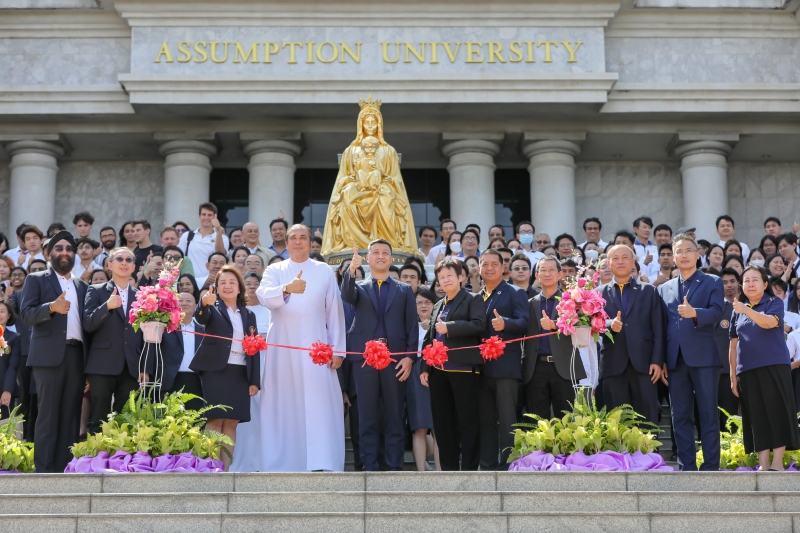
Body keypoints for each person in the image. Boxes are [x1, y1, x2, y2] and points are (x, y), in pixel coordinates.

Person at [256, 224, 346, 471]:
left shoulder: (324, 270)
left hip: (317, 349)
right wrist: (287, 288)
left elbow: (334, 311)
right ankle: (282, 462)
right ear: (286, 242)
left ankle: (322, 460)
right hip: (283, 351)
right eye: (293, 238)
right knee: (283, 402)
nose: (298, 242)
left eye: (303, 238)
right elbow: (263, 296)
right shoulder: (275, 269)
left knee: (320, 402)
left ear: (310, 242)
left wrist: (337, 349)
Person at [342, 243, 417, 471]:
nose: (381, 256)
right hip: (365, 359)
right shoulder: (360, 288)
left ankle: (394, 465)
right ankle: (369, 465)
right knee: (366, 415)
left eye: (385, 253)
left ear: (392, 258)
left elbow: (411, 325)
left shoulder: (404, 290)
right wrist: (351, 271)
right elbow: (346, 295)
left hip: (395, 360)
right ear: (368, 259)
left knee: (394, 414)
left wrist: (409, 357)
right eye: (376, 252)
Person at [20, 231, 88, 472]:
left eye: (69, 249)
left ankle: (64, 470)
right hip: (48, 358)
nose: (64, 253)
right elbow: (26, 314)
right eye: (59, 248)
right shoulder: (36, 279)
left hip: (77, 356)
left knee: (70, 416)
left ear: (75, 255)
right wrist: (51, 307)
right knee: (48, 415)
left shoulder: (82, 286)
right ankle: (44, 471)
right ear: (49, 253)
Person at [658, 233, 724, 471]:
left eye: (688, 250)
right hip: (675, 360)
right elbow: (660, 327)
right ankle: (687, 465)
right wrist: (661, 359)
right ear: (673, 257)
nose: (683, 255)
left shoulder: (712, 282)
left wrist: (695, 312)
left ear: (698, 254)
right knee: (680, 415)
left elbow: (717, 312)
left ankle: (710, 466)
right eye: (679, 251)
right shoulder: (663, 289)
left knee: (707, 413)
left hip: (704, 358)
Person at [730, 265, 800, 471]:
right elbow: (733, 345)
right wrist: (733, 375)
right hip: (746, 369)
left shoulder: (773, 302)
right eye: (746, 281)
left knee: (776, 411)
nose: (750, 284)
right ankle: (763, 464)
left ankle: (777, 463)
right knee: (756, 415)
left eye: (755, 280)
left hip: (773, 365)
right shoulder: (738, 310)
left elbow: (770, 323)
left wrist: (747, 310)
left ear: (765, 284)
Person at [192, 265, 261, 471]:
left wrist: (254, 380)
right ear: (217, 288)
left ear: (240, 288)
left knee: (231, 422)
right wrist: (203, 302)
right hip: (216, 371)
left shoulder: (249, 315)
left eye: (232, 282)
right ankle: (210, 467)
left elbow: (254, 348)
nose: (227, 286)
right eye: (222, 283)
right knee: (215, 419)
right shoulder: (212, 308)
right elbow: (200, 316)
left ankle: (225, 469)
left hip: (240, 373)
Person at [419, 259, 485, 471]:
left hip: (464, 369)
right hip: (438, 372)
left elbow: (478, 325)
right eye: (441, 277)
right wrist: (424, 367)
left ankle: (469, 467)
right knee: (442, 423)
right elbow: (429, 338)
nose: (445, 280)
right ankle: (447, 469)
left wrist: (450, 327)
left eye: (449, 276)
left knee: (467, 421)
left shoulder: (473, 299)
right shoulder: (438, 304)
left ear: (461, 277)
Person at [83, 247, 148, 435]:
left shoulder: (142, 296)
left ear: (134, 266)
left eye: (129, 260)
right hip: (101, 366)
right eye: (120, 259)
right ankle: (95, 462)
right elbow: (88, 324)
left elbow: (147, 335)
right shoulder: (95, 291)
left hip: (131, 367)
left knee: (125, 422)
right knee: (99, 420)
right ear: (110, 265)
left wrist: (145, 368)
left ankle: (120, 462)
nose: (124, 263)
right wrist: (107, 307)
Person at [599, 245, 664, 425]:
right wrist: (610, 324)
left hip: (644, 364)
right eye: (615, 258)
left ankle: (649, 454)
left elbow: (658, 328)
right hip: (612, 363)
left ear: (633, 261)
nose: (620, 261)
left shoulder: (649, 291)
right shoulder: (598, 294)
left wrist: (657, 361)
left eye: (625, 257)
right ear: (609, 263)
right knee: (616, 422)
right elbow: (593, 326)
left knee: (646, 420)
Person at [476, 250, 530, 470]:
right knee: (486, 419)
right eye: (484, 264)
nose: (489, 268)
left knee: (507, 419)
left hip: (505, 367)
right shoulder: (476, 296)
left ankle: (509, 463)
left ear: (503, 267)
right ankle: (487, 464)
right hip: (481, 368)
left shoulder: (515, 292)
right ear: (479, 268)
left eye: (494, 264)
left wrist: (506, 323)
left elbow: (524, 322)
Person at [522, 256, 586, 419]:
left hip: (564, 368)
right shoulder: (529, 304)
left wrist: (555, 325)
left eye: (551, 270)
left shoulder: (573, 301)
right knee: (538, 420)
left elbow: (582, 328)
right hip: (536, 368)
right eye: (543, 270)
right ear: (536, 276)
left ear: (560, 275)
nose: (547, 273)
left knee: (567, 419)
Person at [230, 270, 271, 472]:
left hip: (268, 367)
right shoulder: (239, 313)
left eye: (257, 283)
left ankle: (267, 461)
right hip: (245, 367)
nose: (253, 287)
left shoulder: (271, 310)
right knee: (247, 419)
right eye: (249, 283)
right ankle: (245, 462)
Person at [410, 288, 440, 471]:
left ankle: (439, 470)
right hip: (415, 376)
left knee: (439, 427)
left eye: (427, 302)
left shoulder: (441, 324)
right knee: (419, 426)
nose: (423, 306)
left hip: (437, 373)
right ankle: (421, 471)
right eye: (419, 302)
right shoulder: (409, 325)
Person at [160, 291, 204, 412]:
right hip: (171, 380)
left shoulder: (203, 330)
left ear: (196, 305)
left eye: (189, 301)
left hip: (196, 381)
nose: (184, 303)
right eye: (181, 300)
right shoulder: (165, 326)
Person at [178, 202, 229, 279]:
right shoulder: (187, 236)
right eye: (204, 214)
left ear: (215, 217)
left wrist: (218, 230)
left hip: (211, 281)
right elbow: (179, 258)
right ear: (199, 216)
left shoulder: (223, 238)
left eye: (209, 215)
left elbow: (221, 254)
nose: (206, 218)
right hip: (190, 282)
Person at [716, 268, 740, 429]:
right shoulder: (716, 308)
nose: (729, 285)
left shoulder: (747, 308)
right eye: (724, 282)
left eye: (732, 281)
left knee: (731, 419)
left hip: (737, 371)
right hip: (717, 371)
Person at [0, 299, 21, 421]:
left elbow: (13, 366)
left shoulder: (14, 338)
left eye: (2, 311)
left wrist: (7, 390)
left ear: (9, 315)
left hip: (3, 391)